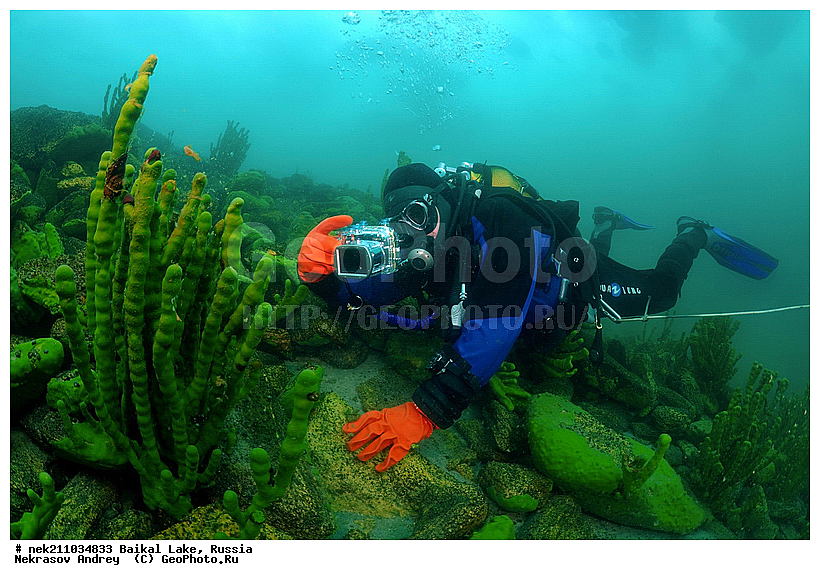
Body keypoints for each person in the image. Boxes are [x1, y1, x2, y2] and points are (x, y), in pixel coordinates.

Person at [297, 162, 778, 472]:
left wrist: (425, 411)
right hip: (526, 323)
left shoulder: (504, 219)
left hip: (569, 284)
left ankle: (694, 232)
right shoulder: (429, 247)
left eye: (420, 214)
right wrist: (323, 281)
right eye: (399, 223)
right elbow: (376, 298)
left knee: (660, 294)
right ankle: (607, 222)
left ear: (444, 199)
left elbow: (497, 321)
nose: (413, 232)